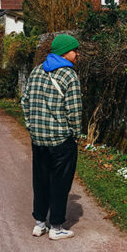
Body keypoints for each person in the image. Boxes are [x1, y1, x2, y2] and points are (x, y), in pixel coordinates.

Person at [20, 33, 82, 240]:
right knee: (60, 183)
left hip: (38, 139)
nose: (77, 54)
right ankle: (56, 226)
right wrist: (76, 133)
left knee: (40, 180)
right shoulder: (69, 75)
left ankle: (39, 223)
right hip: (60, 140)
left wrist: (31, 125)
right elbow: (73, 110)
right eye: (75, 50)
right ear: (65, 52)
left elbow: (25, 101)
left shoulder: (37, 71)